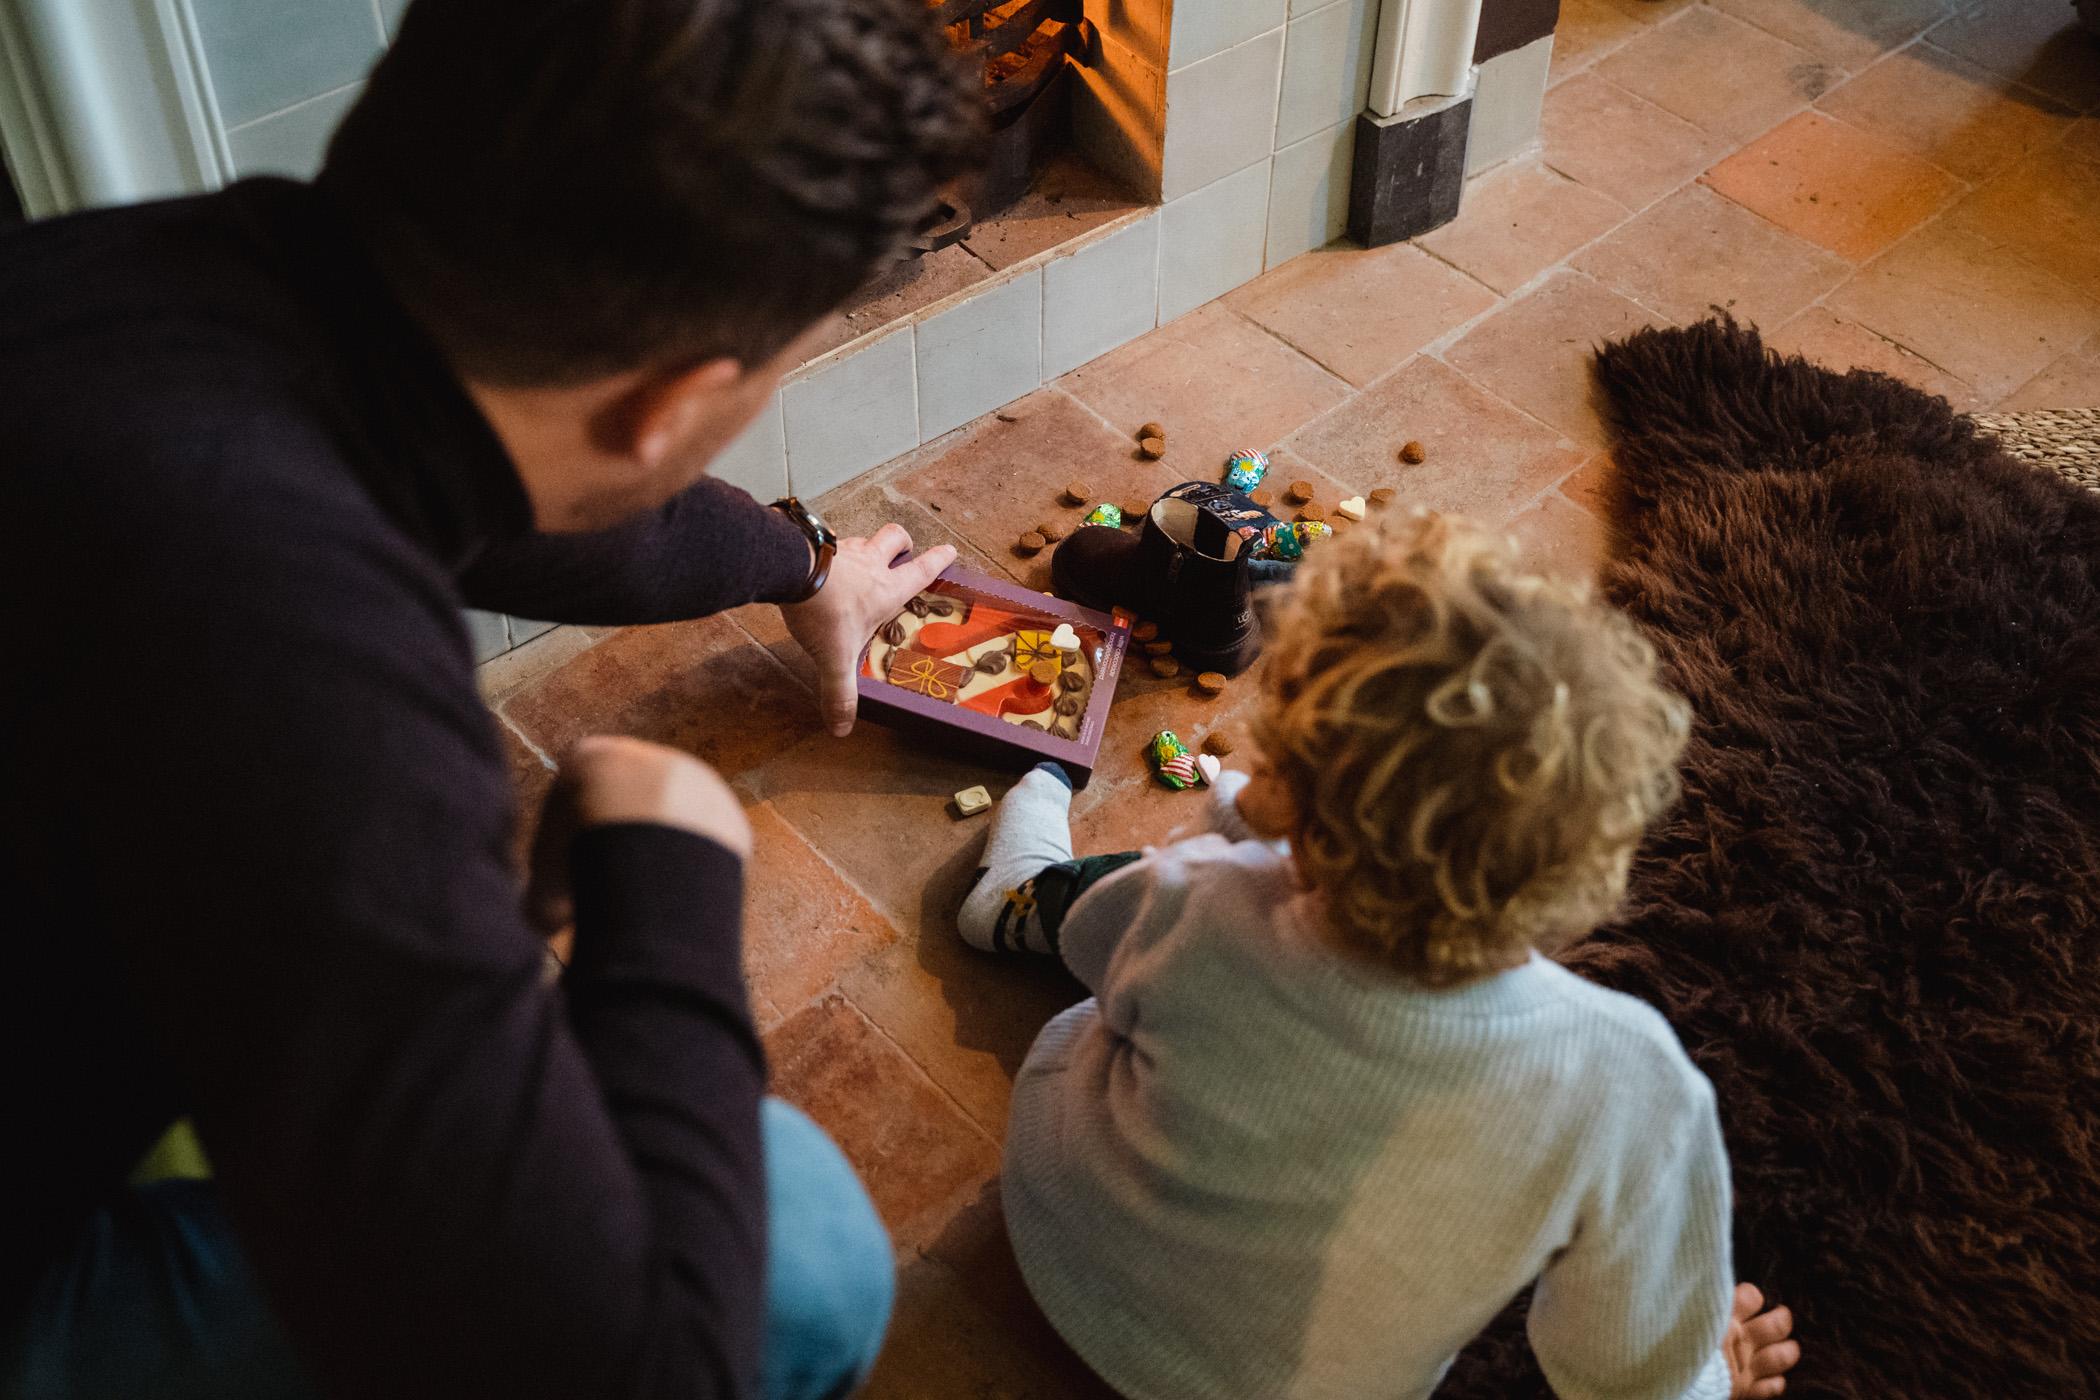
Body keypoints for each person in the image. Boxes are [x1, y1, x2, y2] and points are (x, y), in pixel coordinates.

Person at [0, 0, 981, 1396]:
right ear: (672, 404)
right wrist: (672, 871)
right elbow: (629, 1364)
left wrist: (799, 562)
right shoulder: (296, 669)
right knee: (798, 1255)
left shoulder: (172, 283)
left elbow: (527, 491)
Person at [957, 511, 1805, 1399]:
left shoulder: (1209, 895)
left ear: (1291, 784)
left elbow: (1097, 947)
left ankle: (1016, 898)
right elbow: (1627, 1369)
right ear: (1589, 867)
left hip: (1060, 1242)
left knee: (1132, 945)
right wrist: (1709, 1377)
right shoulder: (1629, 1080)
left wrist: (1246, 844)